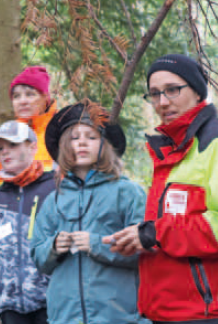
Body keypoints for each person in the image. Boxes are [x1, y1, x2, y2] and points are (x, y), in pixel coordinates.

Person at [105, 54, 218, 324]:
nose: (163, 102)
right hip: (166, 311)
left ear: (197, 91)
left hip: (209, 313)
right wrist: (141, 239)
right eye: (154, 93)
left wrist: (156, 234)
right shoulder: (170, 149)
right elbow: (172, 229)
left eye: (172, 89)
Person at [30, 102, 147, 324]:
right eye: (74, 138)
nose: (82, 142)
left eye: (91, 137)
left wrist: (96, 244)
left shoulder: (128, 193)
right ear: (64, 146)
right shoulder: (53, 200)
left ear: (106, 144)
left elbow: (145, 250)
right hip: (65, 317)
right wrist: (53, 247)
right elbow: (38, 257)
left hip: (118, 317)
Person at [0, 120, 56, 324]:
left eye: (13, 145)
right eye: (0, 148)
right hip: (9, 307)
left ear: (33, 147)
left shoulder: (54, 189)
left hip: (50, 303)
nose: (5, 152)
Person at [0, 66, 58, 184]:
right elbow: (2, 185)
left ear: (45, 98)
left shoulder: (62, 132)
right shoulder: (3, 139)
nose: (22, 101)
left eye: (30, 94)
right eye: (16, 96)